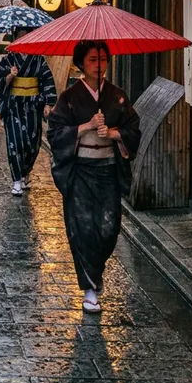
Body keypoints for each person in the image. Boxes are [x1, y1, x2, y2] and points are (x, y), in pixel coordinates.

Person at [47, 40, 141, 314]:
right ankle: (90, 288)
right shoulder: (69, 97)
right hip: (81, 171)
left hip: (108, 170)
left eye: (103, 59)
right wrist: (86, 126)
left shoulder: (118, 96)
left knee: (109, 228)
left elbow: (133, 129)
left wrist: (114, 134)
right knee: (83, 228)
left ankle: (95, 271)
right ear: (80, 64)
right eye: (92, 60)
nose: (99, 65)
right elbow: (54, 132)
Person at [0, 33, 57, 196]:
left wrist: (49, 102)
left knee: (33, 143)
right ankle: (16, 181)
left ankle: (25, 172)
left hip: (33, 106)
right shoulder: (9, 59)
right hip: (14, 105)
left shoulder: (38, 59)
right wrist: (9, 76)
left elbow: (47, 79)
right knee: (15, 141)